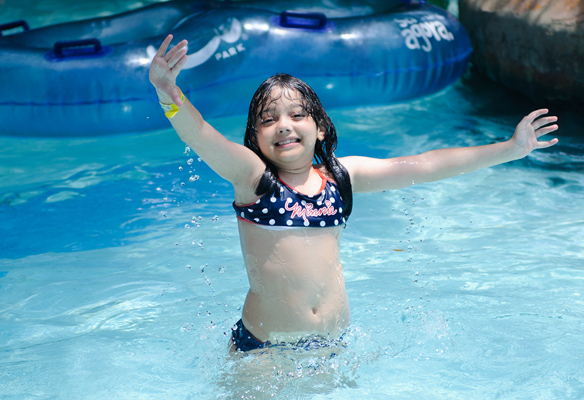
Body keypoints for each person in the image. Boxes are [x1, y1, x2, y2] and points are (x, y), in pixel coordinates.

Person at [149, 35, 559, 352]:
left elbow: (428, 164)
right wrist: (169, 93)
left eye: (297, 115)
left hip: (331, 347)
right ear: (255, 141)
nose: (283, 125)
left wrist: (511, 149)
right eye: (268, 120)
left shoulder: (341, 178)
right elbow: (200, 135)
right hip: (265, 352)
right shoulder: (255, 181)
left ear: (320, 128)